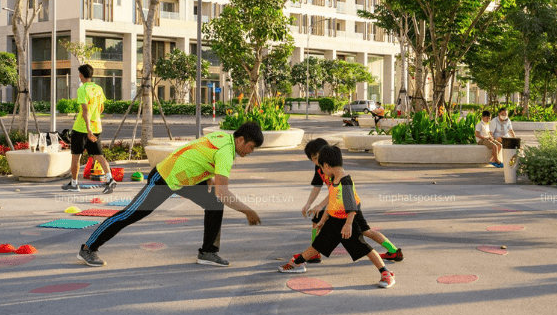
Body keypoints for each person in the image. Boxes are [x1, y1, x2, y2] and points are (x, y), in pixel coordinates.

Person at [77, 122, 265, 267]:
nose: (251, 151)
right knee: (131, 214)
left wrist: (207, 177)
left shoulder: (223, 138)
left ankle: (208, 252)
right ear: (240, 140)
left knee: (213, 202)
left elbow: (199, 151)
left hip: (184, 179)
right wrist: (247, 211)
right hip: (165, 177)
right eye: (251, 147)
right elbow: (223, 191)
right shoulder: (226, 153)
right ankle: (88, 248)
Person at [279, 145, 395, 288]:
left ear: (326, 166)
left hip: (347, 224)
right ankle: (297, 263)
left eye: (321, 167)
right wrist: (322, 220)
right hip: (333, 222)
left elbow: (352, 207)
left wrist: (348, 225)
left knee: (365, 248)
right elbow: (332, 203)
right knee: (317, 246)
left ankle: (386, 273)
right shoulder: (334, 179)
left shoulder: (345, 181)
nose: (320, 170)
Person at [301, 138, 403, 263]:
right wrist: (308, 204)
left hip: (349, 206)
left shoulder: (333, 170)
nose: (317, 161)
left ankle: (393, 251)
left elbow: (336, 192)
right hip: (336, 206)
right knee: (317, 219)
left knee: (366, 231)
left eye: (319, 157)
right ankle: (314, 254)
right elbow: (317, 187)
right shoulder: (320, 169)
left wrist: (321, 205)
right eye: (315, 158)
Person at [62, 64, 114, 193]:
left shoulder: (82, 90)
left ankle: (74, 184)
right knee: (98, 155)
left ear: (81, 75)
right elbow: (101, 108)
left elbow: (85, 110)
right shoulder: (98, 88)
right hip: (96, 127)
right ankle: (110, 179)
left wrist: (88, 128)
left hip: (82, 129)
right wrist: (93, 121)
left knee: (76, 156)